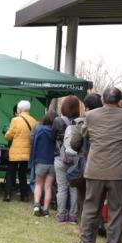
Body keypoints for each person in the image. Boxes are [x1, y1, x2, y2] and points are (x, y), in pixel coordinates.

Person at [73, 87, 122, 243]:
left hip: (96, 168)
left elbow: (84, 133)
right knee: (117, 210)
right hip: (119, 170)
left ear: (103, 100)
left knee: (91, 207)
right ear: (119, 100)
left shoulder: (91, 116)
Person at [70, 93, 103, 225]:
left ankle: (85, 226)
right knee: (99, 197)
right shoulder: (109, 119)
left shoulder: (84, 120)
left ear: (87, 106)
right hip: (105, 163)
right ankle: (99, 221)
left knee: (83, 196)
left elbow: (74, 143)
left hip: (87, 162)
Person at [53, 95, 81, 223]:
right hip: (76, 159)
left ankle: (61, 214)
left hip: (60, 156)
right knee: (74, 188)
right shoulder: (81, 122)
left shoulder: (58, 120)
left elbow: (53, 137)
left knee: (62, 187)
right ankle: (73, 215)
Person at [3, 100, 37, 202]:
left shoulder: (15, 120)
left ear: (20, 109)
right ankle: (24, 195)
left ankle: (8, 194)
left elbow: (8, 136)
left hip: (15, 151)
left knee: (11, 172)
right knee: (22, 174)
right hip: (28, 152)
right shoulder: (34, 121)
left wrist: (7, 135)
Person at [30, 111, 56, 217]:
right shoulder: (56, 131)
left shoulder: (39, 129)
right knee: (48, 186)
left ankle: (36, 205)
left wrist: (33, 160)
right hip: (52, 162)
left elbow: (33, 144)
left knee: (38, 184)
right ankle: (45, 210)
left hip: (40, 161)